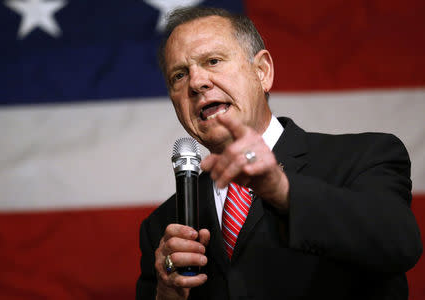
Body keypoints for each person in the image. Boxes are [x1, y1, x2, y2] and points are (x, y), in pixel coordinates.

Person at [136, 6, 422, 300]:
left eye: (213, 61)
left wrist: (282, 190)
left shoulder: (365, 156)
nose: (196, 83)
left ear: (262, 72)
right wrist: (166, 293)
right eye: (179, 75)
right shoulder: (163, 225)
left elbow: (400, 244)